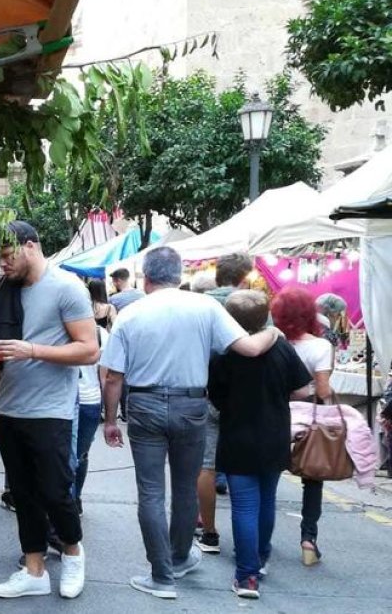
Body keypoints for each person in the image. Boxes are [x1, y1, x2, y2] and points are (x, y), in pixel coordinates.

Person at [101, 246, 282, 600]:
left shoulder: (132, 313)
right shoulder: (206, 307)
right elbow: (248, 348)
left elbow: (112, 377)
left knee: (151, 492)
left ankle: (161, 575)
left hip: (145, 403)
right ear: (179, 274)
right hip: (191, 403)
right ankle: (180, 557)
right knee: (185, 487)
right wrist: (273, 334)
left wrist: (110, 420)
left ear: (147, 278)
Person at [0, 221, 97, 600]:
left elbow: (89, 349)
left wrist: (34, 350)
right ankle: (35, 569)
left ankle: (73, 554)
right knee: (23, 494)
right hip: (10, 409)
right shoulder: (6, 292)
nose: (3, 265)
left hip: (51, 410)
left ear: (30, 246)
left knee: (56, 491)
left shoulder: (66, 288)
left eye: (8, 256)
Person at [208, 290, 311, 599]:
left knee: (244, 506)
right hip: (274, 434)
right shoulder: (282, 348)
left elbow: (215, 397)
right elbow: (304, 391)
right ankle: (261, 558)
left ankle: (246, 575)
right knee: (267, 500)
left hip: (238, 435)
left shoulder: (224, 353)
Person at [197, 252, 255, 554]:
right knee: (243, 465)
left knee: (206, 464)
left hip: (205, 391)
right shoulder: (254, 304)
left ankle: (208, 531)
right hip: (244, 395)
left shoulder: (200, 303)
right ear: (243, 277)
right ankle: (251, 544)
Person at [271, 287, 334, 566]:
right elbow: (322, 389)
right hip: (308, 416)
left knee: (267, 477)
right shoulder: (321, 346)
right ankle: (309, 538)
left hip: (273, 415)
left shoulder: (272, 340)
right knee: (313, 479)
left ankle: (262, 538)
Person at [74, 285, 109, 513]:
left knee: (81, 454)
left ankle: (74, 496)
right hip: (61, 402)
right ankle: (65, 499)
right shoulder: (58, 331)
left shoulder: (100, 334)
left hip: (88, 401)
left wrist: (107, 410)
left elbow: (105, 376)